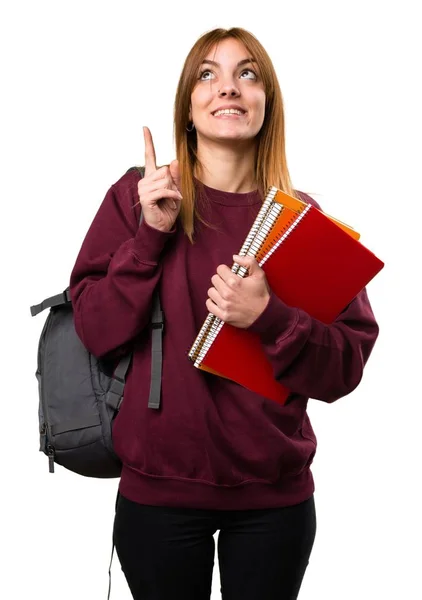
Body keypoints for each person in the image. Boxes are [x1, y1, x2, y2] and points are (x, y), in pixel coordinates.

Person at [69, 27, 379, 600]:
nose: (228, 89)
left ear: (267, 104)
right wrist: (150, 236)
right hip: (157, 496)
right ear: (188, 107)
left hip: (274, 500)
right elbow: (95, 330)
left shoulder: (299, 220)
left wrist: (268, 316)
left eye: (247, 74)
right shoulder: (138, 197)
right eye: (208, 75)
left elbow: (345, 367)